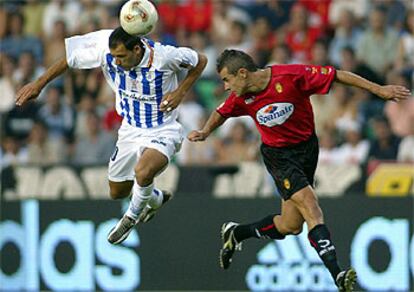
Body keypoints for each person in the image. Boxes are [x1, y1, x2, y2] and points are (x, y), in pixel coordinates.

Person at [188, 49, 411, 291]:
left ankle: (237, 233)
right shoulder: (241, 97)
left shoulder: (291, 76)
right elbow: (221, 112)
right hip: (278, 157)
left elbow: (337, 75)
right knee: (311, 206)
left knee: (290, 225)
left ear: (242, 73)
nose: (226, 87)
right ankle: (337, 273)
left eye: (227, 80)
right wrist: (205, 132)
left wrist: (379, 90)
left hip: (307, 149)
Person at [16, 27, 207, 245]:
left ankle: (130, 217)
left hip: (162, 128)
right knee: (117, 191)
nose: (116, 62)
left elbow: (200, 60)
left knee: (143, 172)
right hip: (129, 130)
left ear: (137, 50)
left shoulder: (164, 56)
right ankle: (154, 199)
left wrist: (180, 92)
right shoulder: (105, 45)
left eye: (122, 57)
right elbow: (69, 59)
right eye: (114, 56)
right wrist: (38, 84)